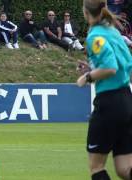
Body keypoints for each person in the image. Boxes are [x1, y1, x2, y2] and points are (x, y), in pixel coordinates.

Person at [77, 0, 132, 179]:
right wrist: (92, 68)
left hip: (109, 102)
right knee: (125, 169)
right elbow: (125, 64)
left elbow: (110, 67)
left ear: (86, 12)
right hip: (126, 100)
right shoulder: (113, 32)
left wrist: (87, 77)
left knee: (96, 167)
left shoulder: (95, 36)